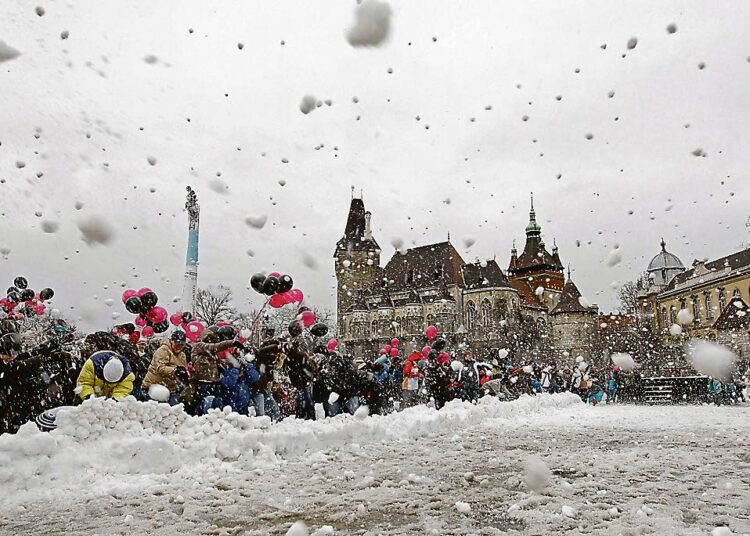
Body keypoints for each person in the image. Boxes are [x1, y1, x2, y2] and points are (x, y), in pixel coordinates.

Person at [185, 329, 238, 415]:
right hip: (202, 384)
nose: (212, 342)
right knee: (204, 407)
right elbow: (214, 347)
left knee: (216, 407)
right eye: (210, 340)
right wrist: (231, 343)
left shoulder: (213, 354)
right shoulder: (198, 346)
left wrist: (234, 361)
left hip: (214, 383)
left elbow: (220, 363)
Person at [142, 330, 189, 405]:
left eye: (181, 345)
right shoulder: (163, 350)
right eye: (177, 344)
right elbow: (160, 368)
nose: (179, 347)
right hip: (155, 386)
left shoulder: (182, 355)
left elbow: (182, 369)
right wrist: (175, 371)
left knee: (176, 408)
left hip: (171, 388)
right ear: (171, 342)